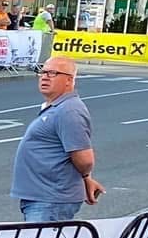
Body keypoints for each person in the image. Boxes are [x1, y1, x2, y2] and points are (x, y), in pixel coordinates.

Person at [11, 56, 102, 222]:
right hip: (43, 198)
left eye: (53, 73)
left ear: (69, 80)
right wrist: (86, 179)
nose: (45, 77)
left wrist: (85, 176)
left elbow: (85, 159)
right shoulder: (58, 107)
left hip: (51, 201)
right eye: (43, 72)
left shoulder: (69, 111)